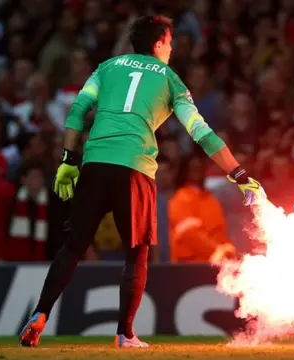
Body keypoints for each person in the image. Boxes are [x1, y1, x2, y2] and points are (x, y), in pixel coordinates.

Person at [19, 15, 267, 349]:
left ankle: (39, 313)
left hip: (94, 163)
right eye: (170, 41)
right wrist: (239, 174)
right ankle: (125, 333)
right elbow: (200, 132)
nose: (172, 47)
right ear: (160, 42)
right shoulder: (170, 79)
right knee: (136, 253)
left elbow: (78, 108)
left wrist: (68, 158)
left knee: (73, 246)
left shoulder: (106, 68)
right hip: (134, 167)